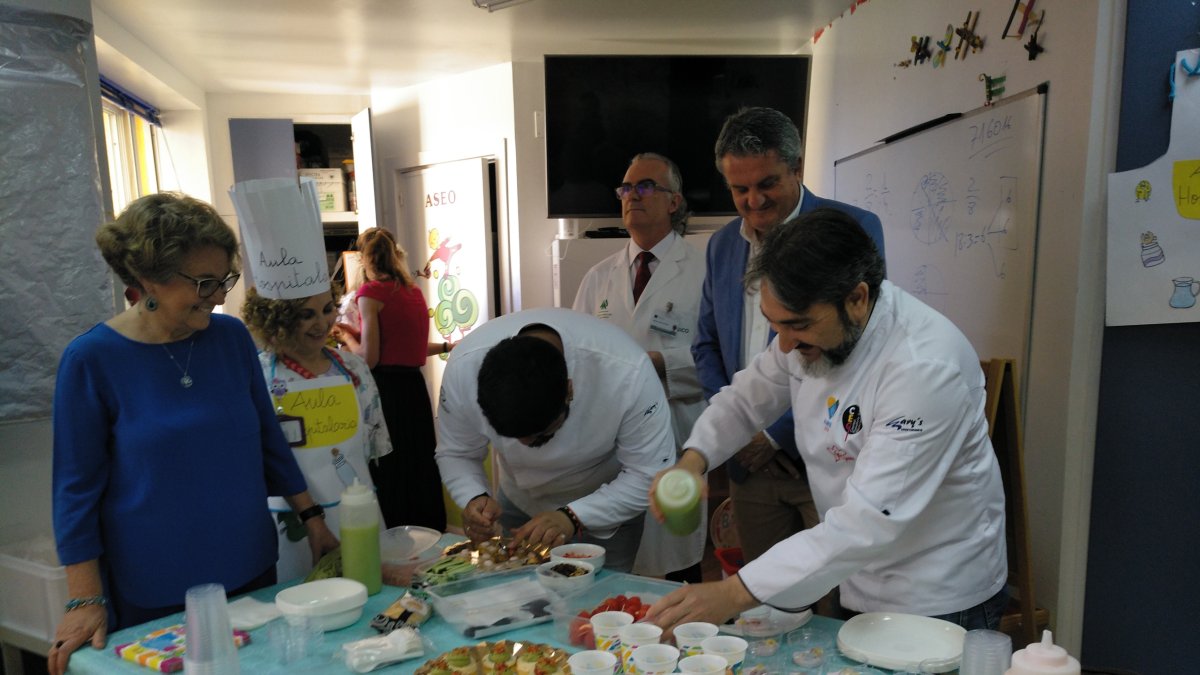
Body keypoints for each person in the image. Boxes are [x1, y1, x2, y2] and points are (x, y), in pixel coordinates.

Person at [647, 208, 1007, 634]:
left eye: (797, 326)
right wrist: (694, 459)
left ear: (856, 299)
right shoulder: (808, 334)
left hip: (935, 593)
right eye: (775, 326)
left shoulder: (923, 368)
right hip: (854, 572)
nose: (783, 344)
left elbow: (867, 522)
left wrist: (733, 593)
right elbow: (745, 399)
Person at [49, 193, 337, 675]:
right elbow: (75, 491)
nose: (221, 296)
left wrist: (312, 517)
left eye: (224, 280)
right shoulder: (92, 361)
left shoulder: (230, 338)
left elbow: (267, 437)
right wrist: (84, 598)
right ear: (147, 278)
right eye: (204, 283)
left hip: (249, 567)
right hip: (154, 586)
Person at [693, 106, 887, 575]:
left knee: (835, 597)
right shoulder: (722, 245)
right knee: (768, 603)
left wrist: (774, 437)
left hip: (821, 453)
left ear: (797, 169)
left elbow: (854, 349)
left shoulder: (851, 230)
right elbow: (707, 345)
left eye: (767, 184)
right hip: (749, 468)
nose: (754, 201)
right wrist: (732, 439)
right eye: (740, 189)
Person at [434, 308, 677, 573]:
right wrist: (473, 495)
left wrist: (573, 516)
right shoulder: (463, 369)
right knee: (511, 595)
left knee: (597, 604)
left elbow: (650, 473)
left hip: (605, 501)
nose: (527, 446)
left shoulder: (628, 372)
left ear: (569, 391)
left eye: (541, 435)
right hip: (518, 499)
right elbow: (457, 452)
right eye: (513, 437)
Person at [573, 152, 707, 583]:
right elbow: (576, 354)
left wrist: (660, 366)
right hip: (608, 439)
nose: (633, 196)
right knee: (614, 563)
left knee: (673, 561)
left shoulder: (703, 272)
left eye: (646, 186)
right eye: (626, 188)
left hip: (677, 427)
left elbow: (718, 356)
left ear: (674, 202)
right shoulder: (598, 277)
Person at [242, 287, 393, 580]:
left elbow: (374, 447)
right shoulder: (255, 376)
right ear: (277, 320)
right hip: (292, 522)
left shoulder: (354, 367)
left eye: (327, 309)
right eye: (306, 315)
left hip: (358, 509)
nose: (322, 323)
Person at [337, 228, 449, 531]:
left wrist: (345, 335)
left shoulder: (370, 294)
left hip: (386, 390)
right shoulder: (412, 291)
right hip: (414, 387)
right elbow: (408, 347)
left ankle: (399, 534)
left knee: (391, 466)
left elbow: (368, 358)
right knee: (421, 462)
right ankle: (431, 529)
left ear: (364, 259)